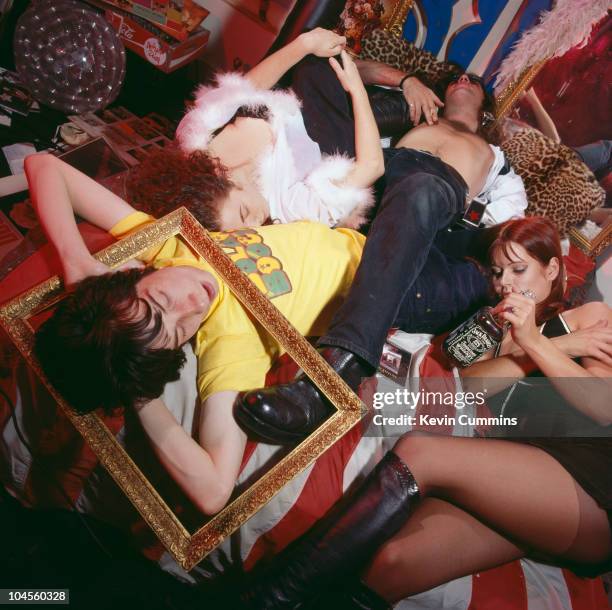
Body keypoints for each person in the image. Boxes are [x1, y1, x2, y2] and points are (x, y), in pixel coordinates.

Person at [27, 150, 488, 517]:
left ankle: (468, 235)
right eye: (180, 330)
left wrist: (75, 263)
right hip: (405, 289)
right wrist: (141, 394)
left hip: (371, 231)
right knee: (461, 239)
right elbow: (212, 493)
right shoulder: (230, 340)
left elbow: (44, 166)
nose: (193, 305)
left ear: (130, 276)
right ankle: (356, 352)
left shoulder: (169, 244)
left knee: (419, 172)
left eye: (162, 302)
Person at [225, 216, 612, 610]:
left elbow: (601, 407)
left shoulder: (589, 316)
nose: (506, 283)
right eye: (497, 273)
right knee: (392, 562)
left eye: (519, 269)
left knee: (420, 452)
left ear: (551, 268)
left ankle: (266, 599)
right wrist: (537, 346)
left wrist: (537, 340)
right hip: (520, 481)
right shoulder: (503, 330)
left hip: (589, 487)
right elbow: (469, 384)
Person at [233, 58, 527, 443]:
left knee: (421, 188)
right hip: (377, 177)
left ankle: (337, 374)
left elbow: (502, 237)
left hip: (432, 197)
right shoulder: (418, 114)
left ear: (485, 107)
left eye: (471, 80)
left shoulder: (499, 165)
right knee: (316, 69)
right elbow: (349, 65)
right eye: (455, 77)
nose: (462, 79)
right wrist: (407, 81)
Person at [168, 29, 383, 230]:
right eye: (243, 234)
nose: (255, 224)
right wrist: (356, 90)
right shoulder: (288, 208)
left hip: (297, 98)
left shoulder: (199, 139)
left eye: (245, 213)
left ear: (222, 178)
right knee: (322, 65)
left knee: (312, 41)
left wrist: (306, 43)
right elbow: (372, 167)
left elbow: (243, 89)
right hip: (335, 136)